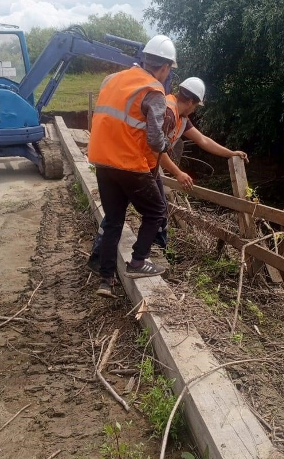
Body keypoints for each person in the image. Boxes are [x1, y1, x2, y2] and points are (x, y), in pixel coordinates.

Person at [86, 76, 248, 277]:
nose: (195, 110)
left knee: (124, 213)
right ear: (190, 102)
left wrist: (231, 153)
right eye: (196, 106)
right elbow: (156, 152)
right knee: (150, 212)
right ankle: (137, 258)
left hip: (144, 168)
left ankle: (123, 257)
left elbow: (203, 140)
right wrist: (178, 173)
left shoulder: (180, 117)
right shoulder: (168, 113)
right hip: (139, 168)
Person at [87, 34, 178, 298]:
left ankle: (105, 279)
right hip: (129, 164)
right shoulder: (154, 90)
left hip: (102, 161)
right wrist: (165, 146)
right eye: (169, 70)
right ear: (164, 67)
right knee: (157, 211)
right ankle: (138, 262)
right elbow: (153, 138)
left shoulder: (114, 79)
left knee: (113, 220)